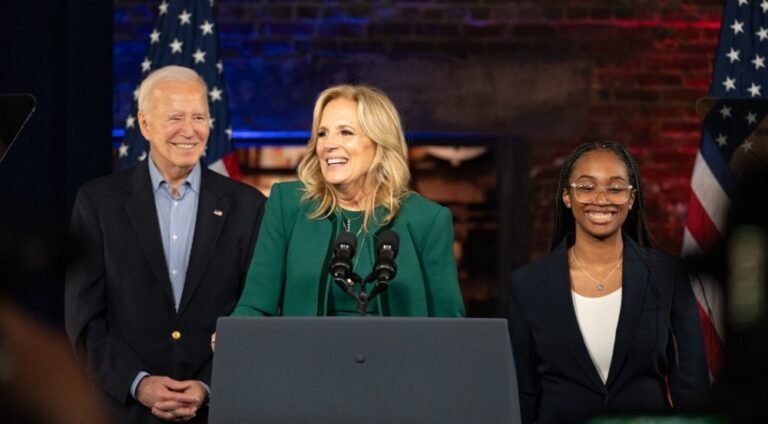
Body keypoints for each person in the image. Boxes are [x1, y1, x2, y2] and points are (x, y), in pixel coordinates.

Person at [65, 65, 266, 423]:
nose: (189, 131)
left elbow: (259, 313)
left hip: (217, 410)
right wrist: (138, 384)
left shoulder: (249, 207)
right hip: (124, 412)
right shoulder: (98, 203)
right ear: (144, 125)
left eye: (199, 117)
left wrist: (207, 385)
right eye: (175, 117)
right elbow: (85, 321)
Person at [503, 142, 708, 423]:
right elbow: (523, 391)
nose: (601, 199)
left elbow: (692, 385)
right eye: (586, 187)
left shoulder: (667, 275)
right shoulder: (528, 285)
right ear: (567, 196)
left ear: (631, 198)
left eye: (615, 188)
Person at [230, 84, 464, 318]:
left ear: (379, 142)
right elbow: (255, 305)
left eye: (345, 132)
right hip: (307, 354)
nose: (329, 144)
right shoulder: (287, 205)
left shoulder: (427, 220)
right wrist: (234, 336)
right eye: (322, 133)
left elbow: (449, 322)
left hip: (398, 354)